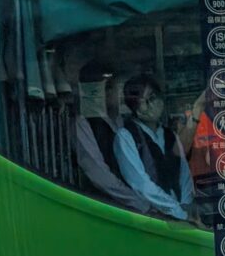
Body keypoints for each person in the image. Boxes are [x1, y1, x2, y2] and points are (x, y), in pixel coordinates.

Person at [113, 74, 195, 221]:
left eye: (153, 98)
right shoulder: (126, 136)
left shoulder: (170, 134)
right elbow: (140, 184)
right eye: (144, 102)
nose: (151, 105)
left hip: (182, 214)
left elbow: (185, 175)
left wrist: (185, 207)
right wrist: (176, 210)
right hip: (152, 217)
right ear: (135, 108)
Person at [73, 61, 152, 213]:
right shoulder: (84, 123)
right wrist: (139, 202)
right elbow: (99, 175)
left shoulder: (121, 121)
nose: (116, 93)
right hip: (107, 209)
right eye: (110, 87)